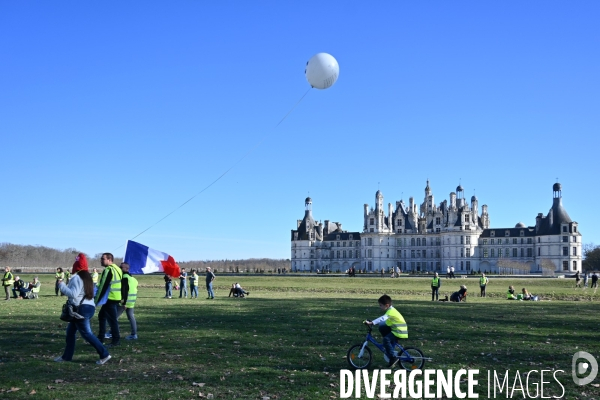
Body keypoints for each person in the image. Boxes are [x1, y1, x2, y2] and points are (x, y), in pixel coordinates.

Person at [54, 253, 111, 365]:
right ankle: (66, 357)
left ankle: (104, 354)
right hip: (88, 307)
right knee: (70, 332)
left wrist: (61, 285)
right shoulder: (87, 278)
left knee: (87, 334)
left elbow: (73, 294)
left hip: (80, 309)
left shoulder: (76, 278)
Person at [365, 294, 408, 368]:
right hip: (397, 330)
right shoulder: (391, 310)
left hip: (400, 331)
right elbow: (384, 322)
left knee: (386, 339)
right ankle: (390, 345)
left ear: (387, 305)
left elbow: (382, 318)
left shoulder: (390, 312)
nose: (380, 307)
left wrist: (372, 322)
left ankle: (392, 358)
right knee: (382, 326)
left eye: (381, 305)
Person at [94, 253, 122, 346]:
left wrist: (96, 300)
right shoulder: (117, 269)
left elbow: (103, 286)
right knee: (102, 316)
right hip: (116, 297)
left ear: (109, 259)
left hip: (110, 298)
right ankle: (100, 337)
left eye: (103, 259)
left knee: (112, 320)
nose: (101, 260)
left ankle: (115, 340)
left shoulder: (108, 270)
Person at [117, 262, 138, 340]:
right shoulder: (134, 279)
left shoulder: (124, 278)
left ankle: (112, 332)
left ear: (126, 269)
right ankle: (134, 334)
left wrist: (124, 302)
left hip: (124, 302)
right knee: (131, 317)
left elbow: (124, 291)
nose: (120, 268)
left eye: (121, 267)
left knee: (114, 318)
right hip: (131, 302)